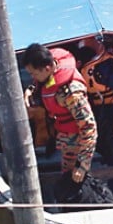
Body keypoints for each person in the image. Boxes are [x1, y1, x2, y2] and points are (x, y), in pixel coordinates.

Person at [22, 43, 97, 186]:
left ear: (48, 68)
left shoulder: (71, 94)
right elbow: (40, 84)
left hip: (75, 140)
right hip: (60, 131)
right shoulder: (49, 69)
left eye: (34, 74)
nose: (33, 77)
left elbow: (89, 127)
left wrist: (82, 165)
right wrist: (30, 91)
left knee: (72, 178)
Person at [75, 36, 113, 202]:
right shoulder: (91, 63)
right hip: (102, 106)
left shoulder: (104, 69)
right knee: (101, 140)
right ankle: (106, 160)